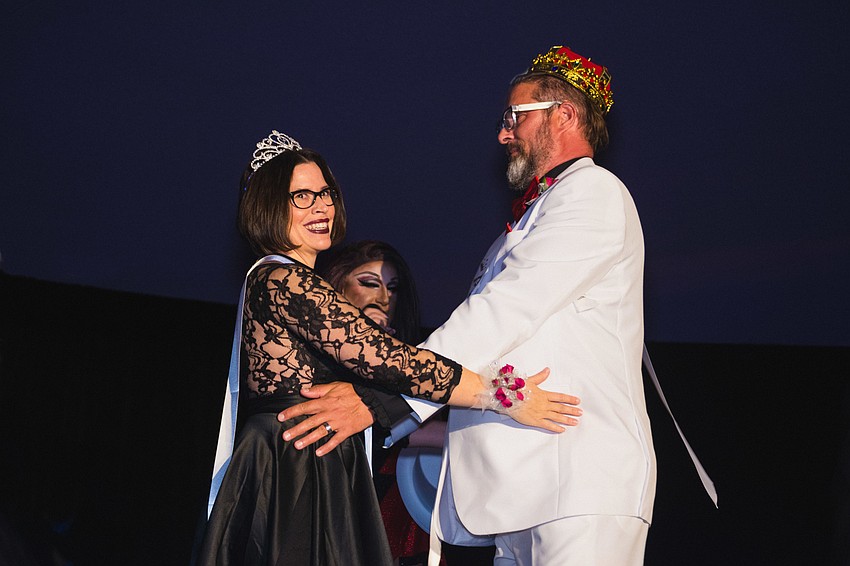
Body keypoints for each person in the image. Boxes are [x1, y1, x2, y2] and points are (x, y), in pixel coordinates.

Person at [281, 44, 656, 565]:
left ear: (564, 114)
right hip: (517, 494)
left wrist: (381, 398)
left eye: (514, 116)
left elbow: (502, 314)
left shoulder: (593, 193)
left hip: (577, 483)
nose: (503, 133)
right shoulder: (518, 228)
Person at [193, 130, 582, 566]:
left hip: (309, 459)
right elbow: (388, 360)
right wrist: (500, 395)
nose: (321, 206)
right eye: (301, 196)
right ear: (268, 205)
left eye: (326, 193)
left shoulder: (293, 281)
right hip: (291, 469)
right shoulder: (282, 279)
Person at [320, 240, 438, 565]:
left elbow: (410, 426)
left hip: (391, 501)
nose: (383, 297)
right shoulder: (312, 354)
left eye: (393, 288)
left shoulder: (410, 358)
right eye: (369, 283)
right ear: (339, 287)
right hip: (331, 494)